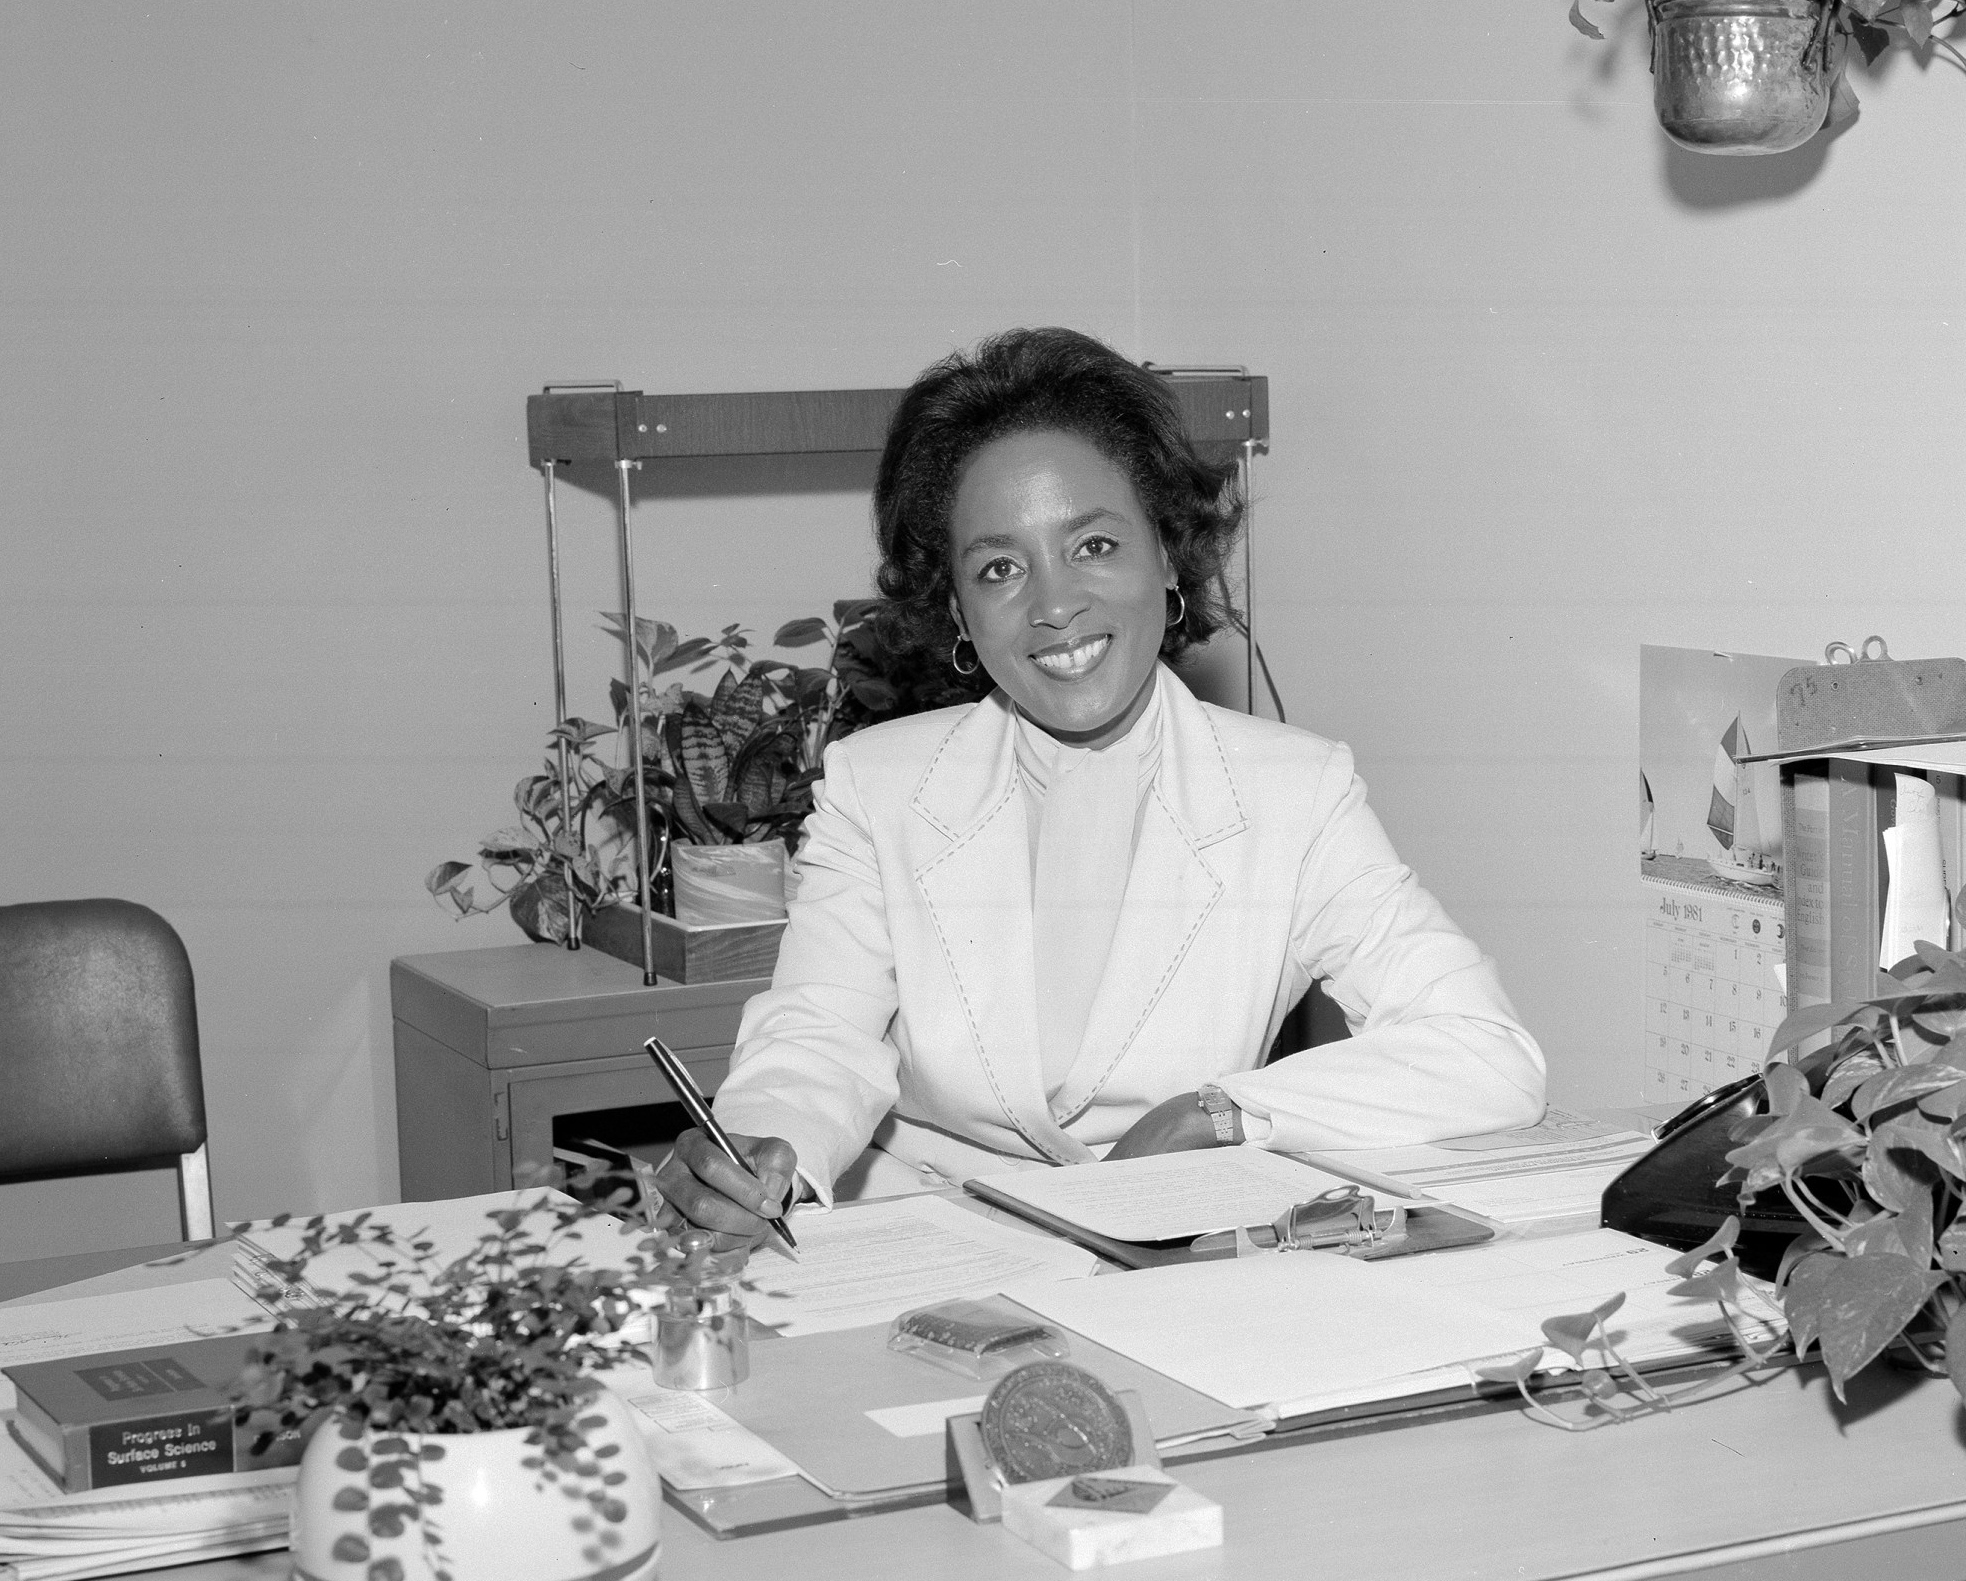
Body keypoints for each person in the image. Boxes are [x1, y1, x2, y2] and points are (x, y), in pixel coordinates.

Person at [656, 328, 1544, 1243]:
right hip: (928, 1242)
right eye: (1000, 568)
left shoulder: (1295, 794)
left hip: (1178, 1252)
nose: (1053, 605)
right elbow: (816, 1033)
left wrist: (1217, 1114)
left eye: (1093, 545)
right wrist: (770, 1147)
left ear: (1168, 555)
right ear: (957, 609)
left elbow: (1488, 1053)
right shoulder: (877, 787)